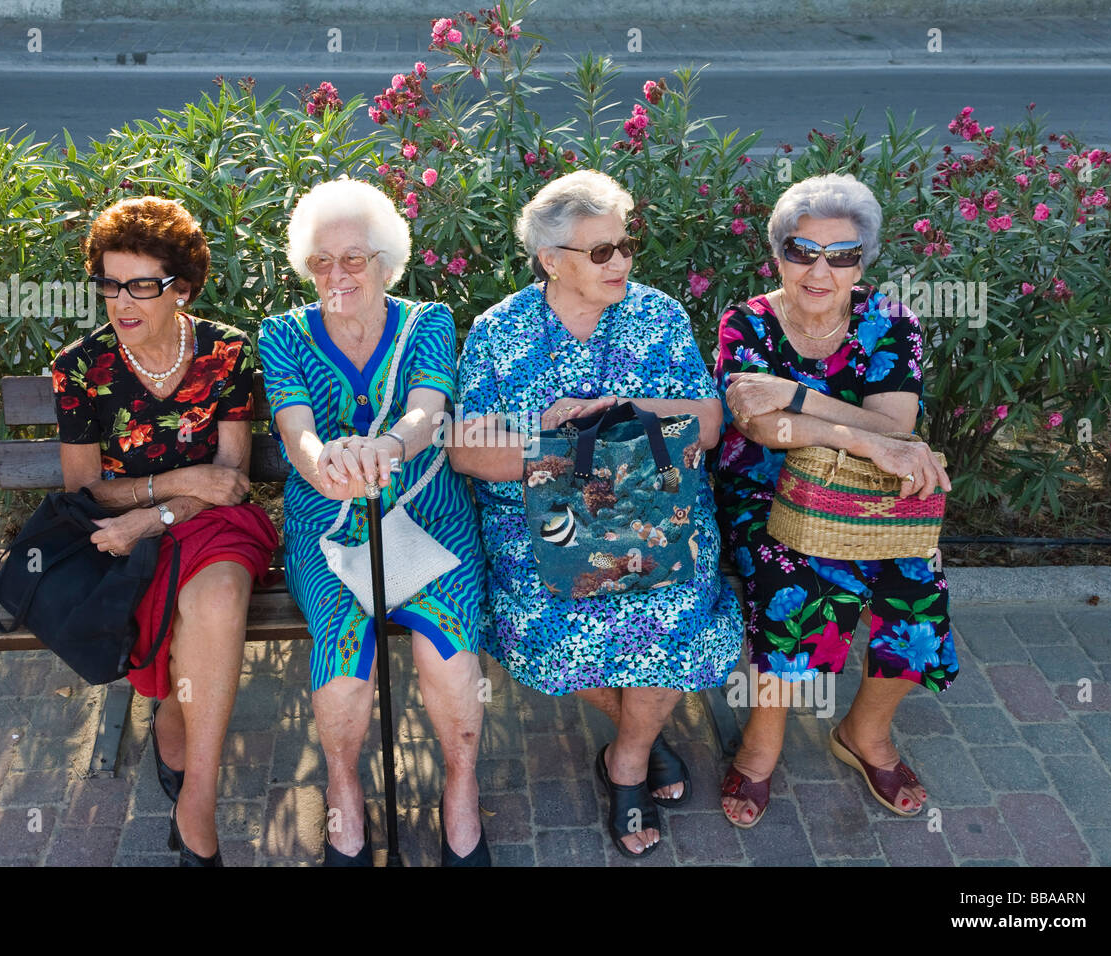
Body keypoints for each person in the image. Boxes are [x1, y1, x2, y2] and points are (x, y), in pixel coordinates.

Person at [451, 169, 744, 859]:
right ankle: (642, 738)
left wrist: (624, 414)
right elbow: (464, 450)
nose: (620, 262)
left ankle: (629, 763)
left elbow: (707, 423)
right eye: (600, 251)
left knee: (670, 621)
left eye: (624, 245)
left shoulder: (658, 315)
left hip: (656, 521)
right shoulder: (501, 331)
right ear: (550, 260)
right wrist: (547, 437)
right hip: (543, 533)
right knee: (557, 627)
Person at [712, 171, 956, 829]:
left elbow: (896, 429)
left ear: (861, 262)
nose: (820, 269)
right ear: (778, 254)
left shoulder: (889, 321)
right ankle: (762, 742)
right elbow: (760, 429)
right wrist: (862, 433)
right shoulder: (747, 322)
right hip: (763, 487)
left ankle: (865, 733)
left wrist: (796, 396)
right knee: (790, 575)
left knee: (918, 580)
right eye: (802, 250)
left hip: (870, 490)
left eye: (842, 254)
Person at [258, 178, 489, 867]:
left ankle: (460, 785)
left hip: (429, 509)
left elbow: (425, 411)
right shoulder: (283, 335)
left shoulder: (429, 323)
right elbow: (294, 429)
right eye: (322, 262)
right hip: (327, 524)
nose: (337, 276)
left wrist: (387, 448)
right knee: (343, 660)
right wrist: (324, 461)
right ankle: (342, 789)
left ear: (386, 261)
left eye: (354, 259)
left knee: (446, 656)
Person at [53, 196, 279, 866]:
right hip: (125, 537)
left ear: (180, 287)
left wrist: (161, 511)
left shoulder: (225, 352)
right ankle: (173, 713)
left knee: (213, 600)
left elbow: (232, 477)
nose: (122, 302)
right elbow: (84, 492)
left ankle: (199, 804)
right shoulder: (81, 368)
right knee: (182, 630)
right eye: (109, 284)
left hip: (215, 525)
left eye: (141, 286)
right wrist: (171, 490)